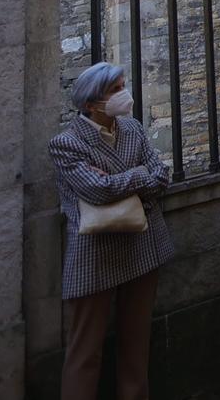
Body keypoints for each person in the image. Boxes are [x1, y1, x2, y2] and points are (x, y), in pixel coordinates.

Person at [48, 63, 173, 400]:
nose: (124, 94)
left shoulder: (131, 127)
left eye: (122, 85)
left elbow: (162, 176)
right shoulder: (66, 143)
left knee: (136, 344)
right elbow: (96, 190)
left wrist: (121, 181)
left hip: (142, 243)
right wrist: (136, 177)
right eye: (115, 90)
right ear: (91, 103)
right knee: (85, 350)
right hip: (95, 251)